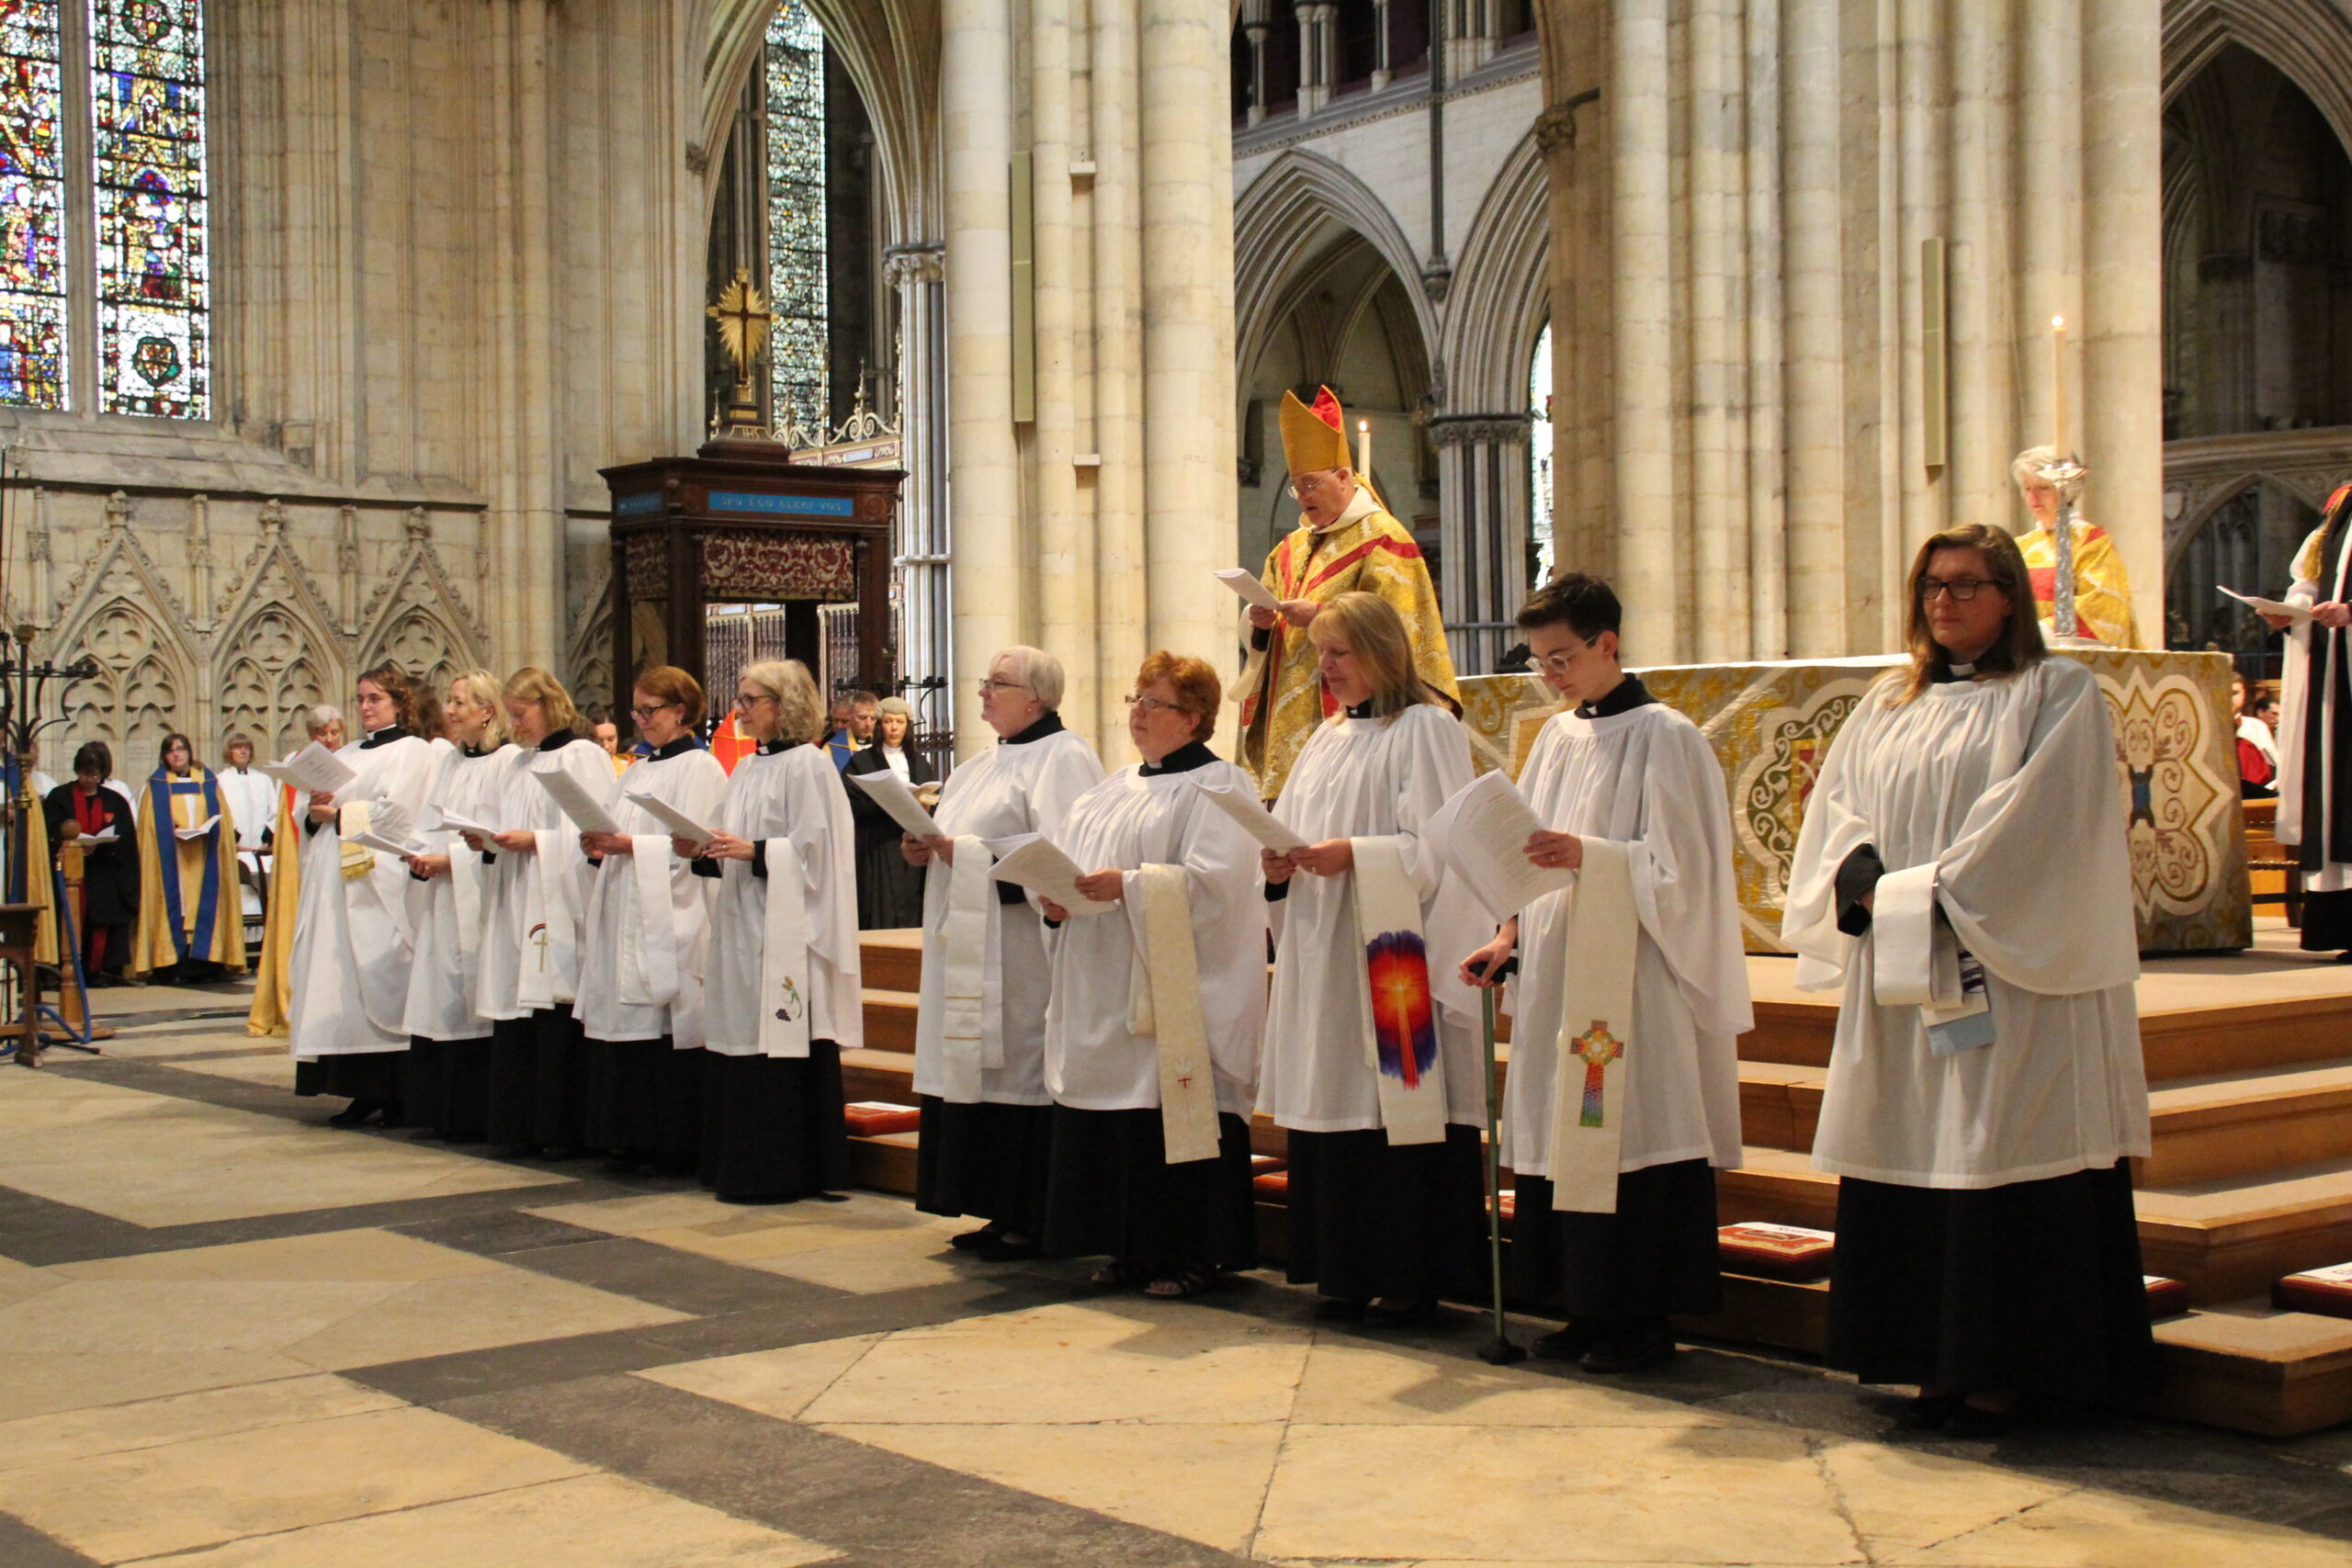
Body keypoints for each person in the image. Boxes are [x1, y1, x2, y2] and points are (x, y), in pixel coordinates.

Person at [1783, 522, 2154, 1435]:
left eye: (1964, 585)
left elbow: (2038, 821)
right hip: (1904, 967)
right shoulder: (1888, 700)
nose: (1942, 602)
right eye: (1931, 587)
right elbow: (1838, 804)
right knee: (1911, 1139)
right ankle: (1926, 1361)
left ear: (2007, 598)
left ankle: (2004, 1367)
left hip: (2007, 965)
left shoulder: (2053, 691)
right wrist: (1857, 870)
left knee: (1995, 1145)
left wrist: (1925, 893)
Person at [1458, 573, 1748, 1372]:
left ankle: (1642, 1318)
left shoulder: (1668, 737)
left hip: (1631, 984)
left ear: (1607, 644)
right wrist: (1508, 933)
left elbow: (1685, 871)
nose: (1550, 675)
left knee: (1626, 1134)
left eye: (1561, 658)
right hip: (1557, 968)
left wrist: (1591, 855)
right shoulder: (1556, 739)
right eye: (1540, 661)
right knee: (1567, 1134)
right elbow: (1527, 852)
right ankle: (1587, 1307)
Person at [1261, 592, 1488, 1326]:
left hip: (1393, 956)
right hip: (1326, 946)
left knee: (1396, 1107)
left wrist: (1349, 855)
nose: (1324, 668)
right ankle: (1344, 1268)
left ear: (1384, 651)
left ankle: (1410, 1276)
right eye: (1320, 653)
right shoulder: (1327, 736)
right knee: (1335, 1099)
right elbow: (1293, 827)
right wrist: (1278, 864)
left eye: (1339, 653)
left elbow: (1441, 848)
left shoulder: (1425, 728)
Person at [1037, 652, 1267, 1299]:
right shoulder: (1112, 787)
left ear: (1192, 718)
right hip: (1103, 977)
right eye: (1135, 698)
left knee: (1174, 1115)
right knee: (1119, 1123)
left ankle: (1193, 1253)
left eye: (1153, 702)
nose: (1137, 712)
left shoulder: (1221, 788)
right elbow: (1067, 860)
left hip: (1175, 992)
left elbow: (1216, 887)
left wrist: (1128, 887)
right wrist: (1055, 897)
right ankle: (1130, 1248)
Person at [903, 649, 1104, 1258]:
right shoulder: (980, 763)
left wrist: (963, 855)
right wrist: (927, 848)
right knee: (980, 1075)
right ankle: (998, 1208)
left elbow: (1063, 860)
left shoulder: (1065, 758)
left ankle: (1034, 1214)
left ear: (1037, 698)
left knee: (1019, 1071)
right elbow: (963, 841)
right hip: (969, 942)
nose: (983, 692)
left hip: (1021, 952)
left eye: (998, 683)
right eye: (984, 681)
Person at [681, 659, 861, 1202]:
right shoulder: (749, 767)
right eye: (740, 697)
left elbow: (818, 854)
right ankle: (739, 1163)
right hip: (742, 920)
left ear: (784, 706)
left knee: (781, 1039)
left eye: (751, 699)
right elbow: (725, 838)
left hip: (787, 931)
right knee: (741, 1039)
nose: (739, 709)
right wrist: (699, 846)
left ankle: (786, 1169)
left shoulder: (809, 765)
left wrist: (754, 851)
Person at [1237, 386, 1457, 803]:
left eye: (1310, 485)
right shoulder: (1289, 549)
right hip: (1286, 721)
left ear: (1343, 477)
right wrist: (1259, 623)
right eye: (1296, 488)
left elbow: (1399, 627)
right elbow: (1261, 627)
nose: (1302, 497)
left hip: (1354, 724)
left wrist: (1320, 615)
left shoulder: (1384, 539)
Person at [578, 666, 727, 1171]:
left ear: (681, 711)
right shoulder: (637, 769)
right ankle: (627, 1137)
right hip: (626, 904)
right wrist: (597, 841)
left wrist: (627, 845)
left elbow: (698, 844)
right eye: (636, 710)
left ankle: (669, 1143)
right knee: (625, 1025)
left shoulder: (701, 768)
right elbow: (613, 827)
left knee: (663, 1028)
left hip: (673, 913)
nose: (640, 719)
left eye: (650, 710)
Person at [466, 667, 617, 1156]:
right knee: (518, 1010)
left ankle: (559, 1129)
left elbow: (595, 833)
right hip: (516, 894)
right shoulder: (515, 764)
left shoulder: (582, 756)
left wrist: (536, 841)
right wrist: (488, 840)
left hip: (559, 900)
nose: (515, 725)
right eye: (509, 715)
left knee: (554, 1007)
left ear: (549, 703)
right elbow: (502, 822)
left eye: (521, 713)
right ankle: (519, 1125)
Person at [288, 666, 439, 1126]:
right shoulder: (349, 751)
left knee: (385, 980)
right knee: (343, 985)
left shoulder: (414, 751)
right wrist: (315, 809)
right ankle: (359, 1088)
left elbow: (399, 815)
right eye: (361, 699)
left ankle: (395, 1091)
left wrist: (339, 812)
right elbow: (309, 817)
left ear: (398, 702)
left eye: (375, 698)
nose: (366, 706)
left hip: (379, 884)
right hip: (336, 885)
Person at [398, 671, 515, 1142]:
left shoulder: (507, 762)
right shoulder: (450, 761)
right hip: (443, 894)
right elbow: (431, 819)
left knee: (474, 990)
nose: (448, 711)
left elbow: (504, 830)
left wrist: (456, 860)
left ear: (488, 711)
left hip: (483, 891)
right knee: (440, 991)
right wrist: (417, 852)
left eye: (460, 703)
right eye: (448, 702)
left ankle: (472, 1113)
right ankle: (440, 1110)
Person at [2269, 486, 2352, 959]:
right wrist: (2290, 611)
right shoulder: (2343, 502)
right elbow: (2313, 576)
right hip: (2333, 670)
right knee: (2337, 794)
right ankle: (2343, 925)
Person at [248, 707, 345, 1037]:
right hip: (304, 853)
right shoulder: (300, 762)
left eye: (334, 733)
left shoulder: (352, 759)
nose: (329, 739)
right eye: (322, 734)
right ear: (311, 735)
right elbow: (293, 815)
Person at [130, 731, 245, 983]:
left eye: (181, 748)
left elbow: (224, 822)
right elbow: (148, 827)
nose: (177, 754)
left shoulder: (208, 781)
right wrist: (167, 829)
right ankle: (170, 964)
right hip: (172, 860)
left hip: (204, 857)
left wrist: (208, 827)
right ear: (165, 756)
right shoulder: (156, 785)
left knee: (202, 905)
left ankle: (206, 962)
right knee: (177, 906)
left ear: (189, 752)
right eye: (171, 750)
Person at [2010, 446, 2141, 648]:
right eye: (2027, 488)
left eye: (2043, 487)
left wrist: (2042, 632)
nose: (2033, 496)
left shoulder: (2092, 542)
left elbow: (2104, 606)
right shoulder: (2020, 547)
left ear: (2067, 490)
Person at [45, 742, 137, 986]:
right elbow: (49, 831)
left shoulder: (114, 800)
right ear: (77, 771)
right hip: (69, 873)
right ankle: (66, 970)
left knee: (101, 921)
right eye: (85, 774)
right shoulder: (59, 797)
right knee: (70, 919)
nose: (89, 779)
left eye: (95, 775)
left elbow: (126, 837)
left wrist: (105, 844)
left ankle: (97, 971)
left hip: (103, 873)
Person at [844, 695, 939, 930]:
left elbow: (935, 798)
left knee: (912, 904)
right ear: (879, 725)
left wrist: (925, 802)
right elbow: (849, 800)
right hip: (878, 844)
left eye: (899, 722)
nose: (894, 728)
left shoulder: (919, 761)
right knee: (881, 905)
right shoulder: (862, 761)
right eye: (888, 721)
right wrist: (886, 802)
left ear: (907, 726)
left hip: (913, 842)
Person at [220, 733, 275, 946]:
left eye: (246, 748)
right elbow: (222, 814)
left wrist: (267, 842)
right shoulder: (221, 780)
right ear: (230, 752)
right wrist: (232, 843)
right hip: (235, 851)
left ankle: (263, 943)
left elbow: (274, 814)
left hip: (260, 851)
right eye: (238, 747)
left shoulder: (263, 780)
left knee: (264, 897)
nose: (243, 751)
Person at [2234, 674, 2278, 798]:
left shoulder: (2255, 726)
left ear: (2244, 694)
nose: (2230, 698)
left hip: (2256, 795)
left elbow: (2276, 762)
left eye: (2235, 693)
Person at [589, 705, 630, 775]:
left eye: (611, 739)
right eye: (599, 741)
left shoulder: (630, 768)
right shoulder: (582, 772)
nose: (606, 746)